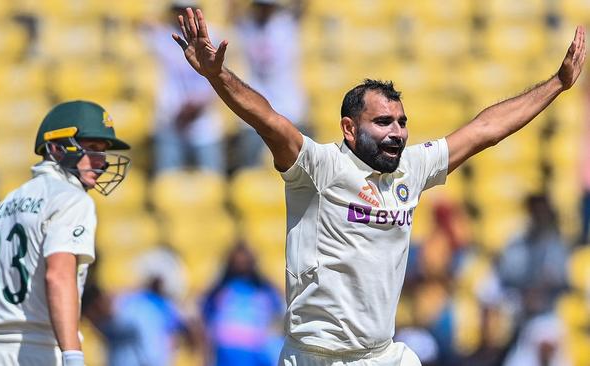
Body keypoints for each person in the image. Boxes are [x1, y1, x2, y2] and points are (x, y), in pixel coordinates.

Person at [173, 7, 586, 366]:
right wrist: (217, 76)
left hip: (382, 355)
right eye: (383, 123)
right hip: (313, 357)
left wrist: (556, 84)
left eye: (402, 122)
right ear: (349, 129)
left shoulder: (412, 168)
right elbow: (268, 119)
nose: (398, 133)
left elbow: (486, 130)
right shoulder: (319, 167)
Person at [0, 100, 131, 366]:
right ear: (56, 148)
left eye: (103, 152)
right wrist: (73, 357)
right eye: (93, 149)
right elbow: (58, 275)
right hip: (35, 353)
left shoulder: (0, 208)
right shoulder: (71, 199)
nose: (103, 162)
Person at [143, 0, 226, 174]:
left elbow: (228, 75)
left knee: (211, 181)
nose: (183, 15)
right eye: (179, 10)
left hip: (205, 122)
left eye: (188, 10)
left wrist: (201, 103)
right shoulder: (159, 36)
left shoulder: (215, 35)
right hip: (169, 120)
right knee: (167, 181)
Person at [231, 0, 307, 168]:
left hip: (289, 108)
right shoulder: (246, 27)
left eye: (267, 6)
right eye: (260, 6)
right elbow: (233, 10)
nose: (263, 10)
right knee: (250, 170)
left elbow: (301, 6)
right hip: (254, 108)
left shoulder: (286, 25)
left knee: (298, 169)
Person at [201, 243, 284, 366]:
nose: (241, 264)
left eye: (246, 261)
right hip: (226, 352)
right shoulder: (220, 290)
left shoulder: (265, 290)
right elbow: (204, 316)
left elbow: (279, 316)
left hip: (257, 351)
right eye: (237, 261)